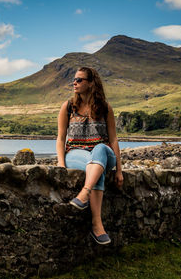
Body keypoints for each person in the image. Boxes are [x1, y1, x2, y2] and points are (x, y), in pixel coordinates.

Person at [56, 66, 123, 245]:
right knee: (96, 168)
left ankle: (84, 194)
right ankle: (97, 224)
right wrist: (61, 164)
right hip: (75, 154)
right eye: (74, 80)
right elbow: (61, 138)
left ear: (91, 83)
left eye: (79, 80)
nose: (74, 83)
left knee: (100, 149)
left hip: (103, 153)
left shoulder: (105, 108)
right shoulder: (68, 106)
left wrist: (119, 171)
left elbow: (114, 140)